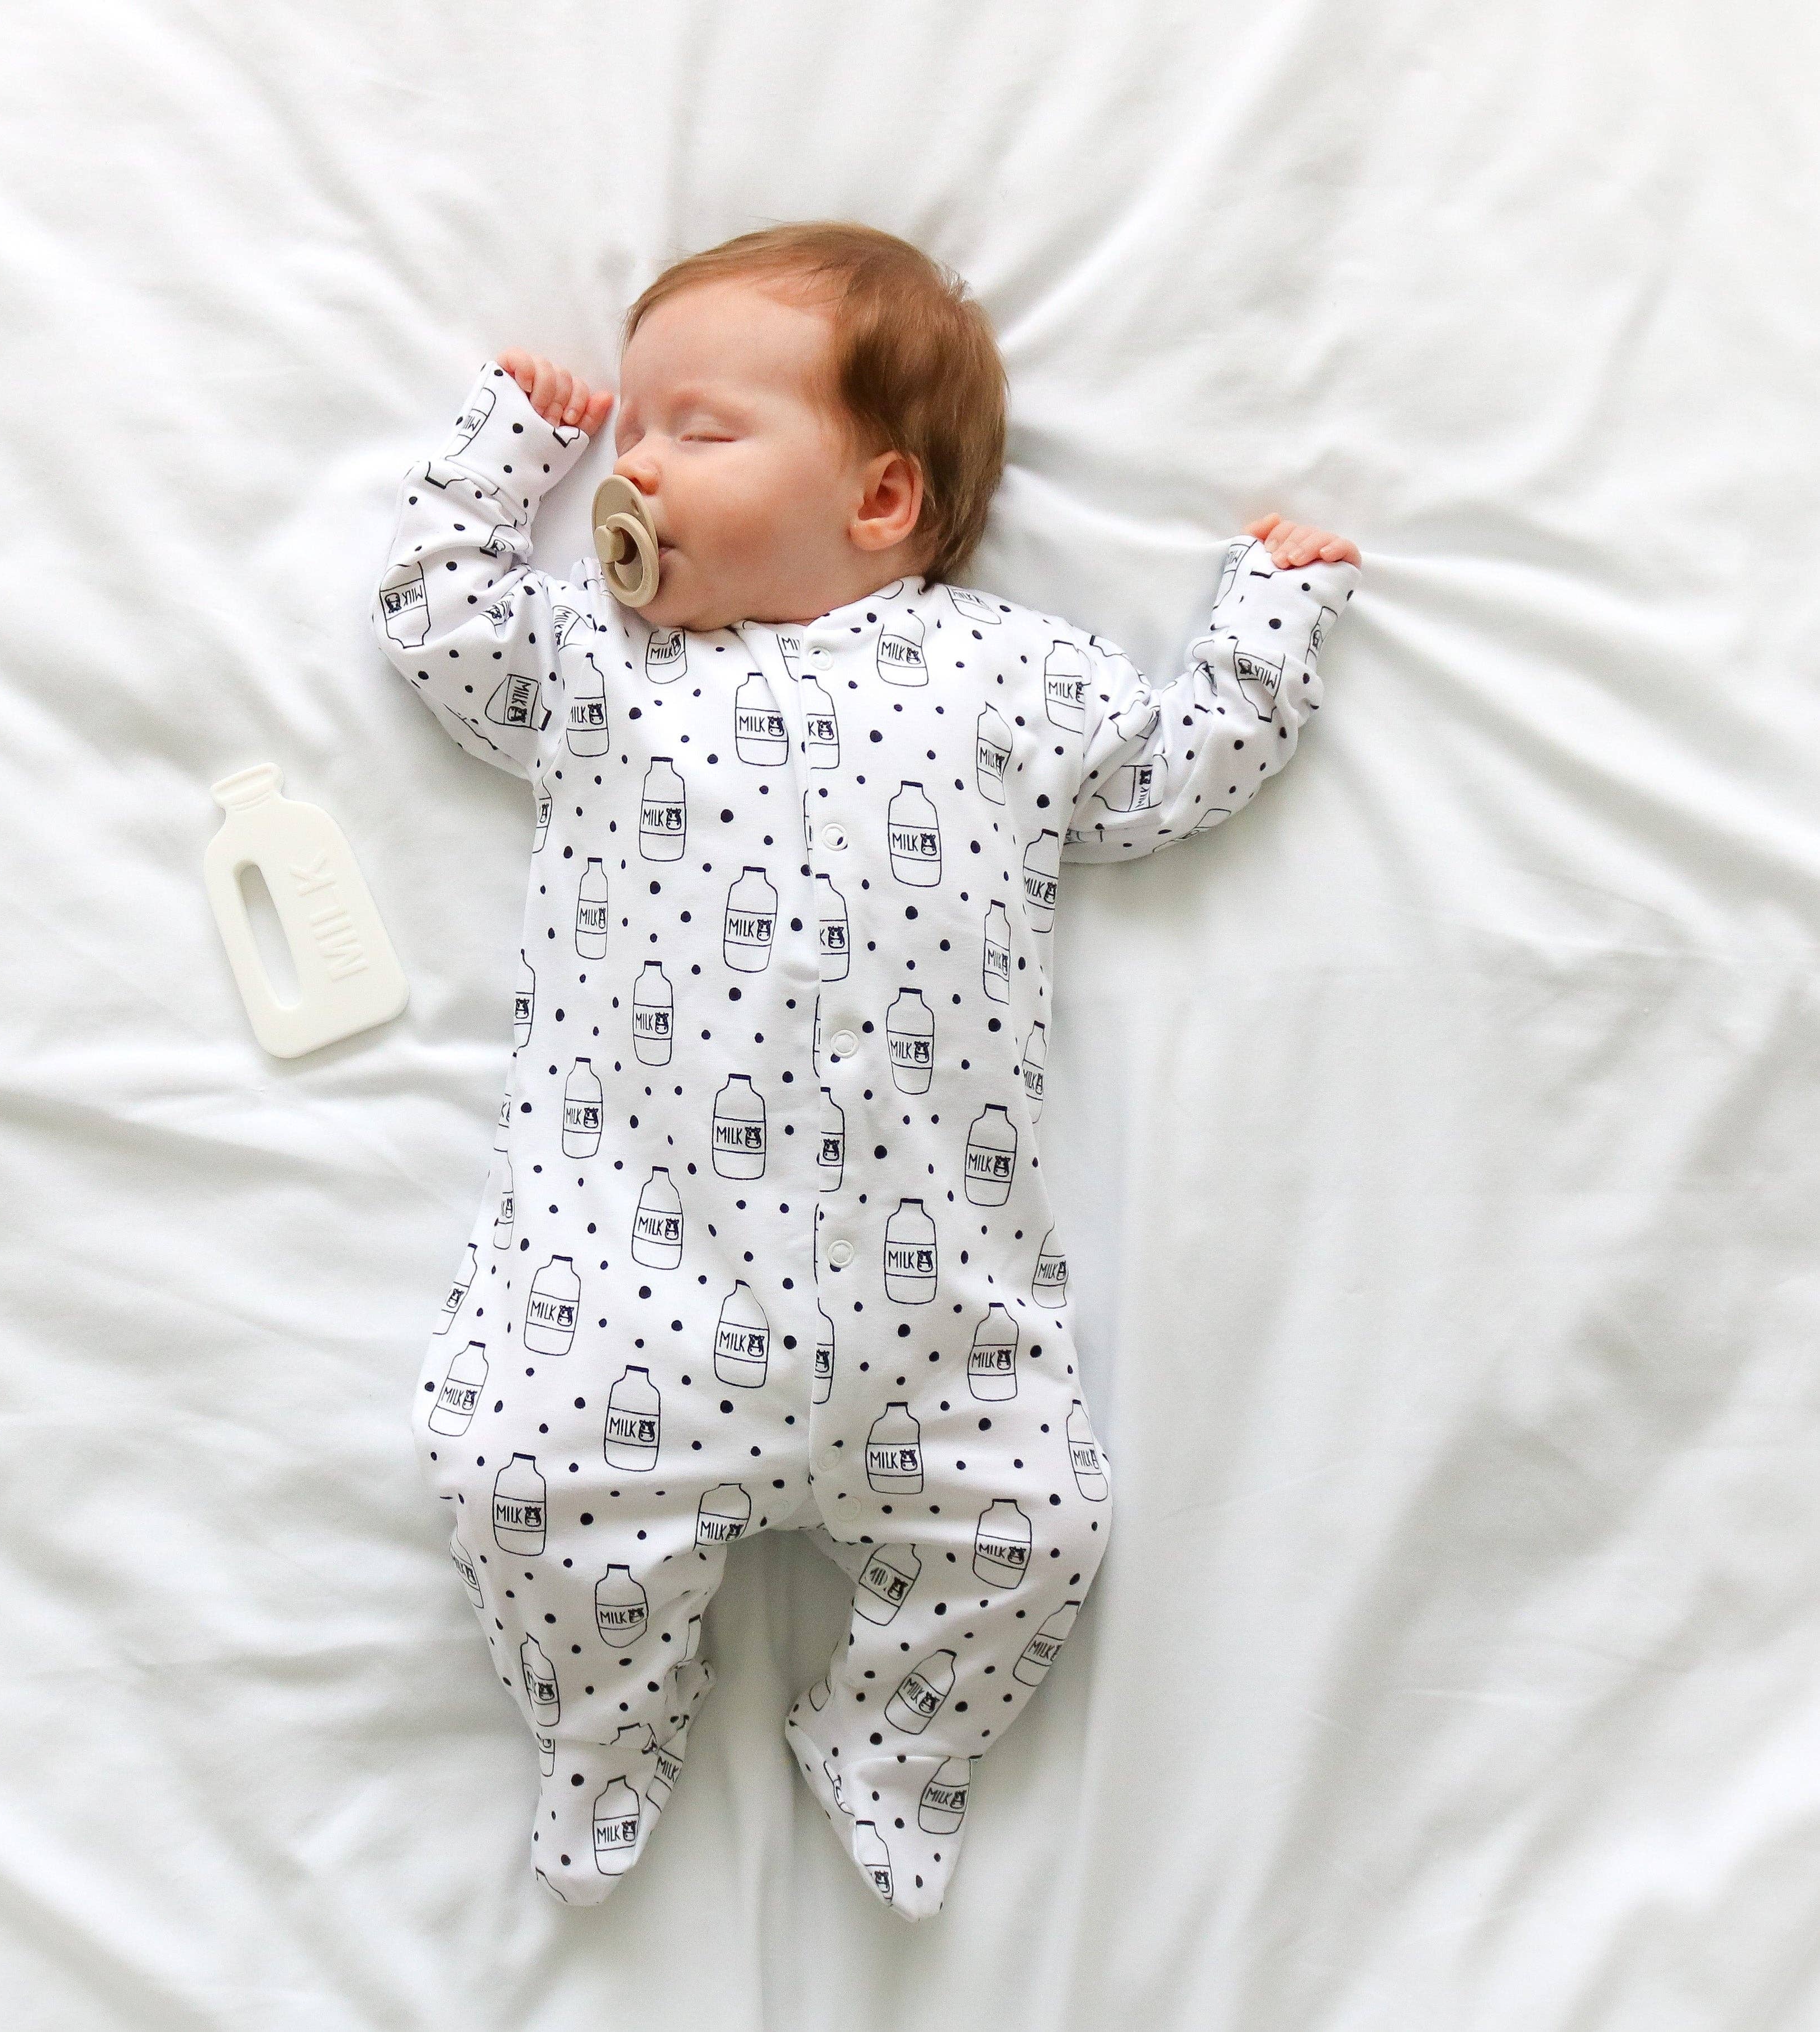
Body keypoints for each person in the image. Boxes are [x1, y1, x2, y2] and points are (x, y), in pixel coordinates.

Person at [372, 221, 1361, 1920]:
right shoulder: (604, 669)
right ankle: (606, 1718)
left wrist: (1266, 625)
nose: (640, 465)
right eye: (629, 438)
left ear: (882, 501)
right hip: (625, 1298)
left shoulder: (1006, 676)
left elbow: (1160, 777)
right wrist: (502, 451)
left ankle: (890, 1738)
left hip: (935, 1341)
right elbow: (433, 613)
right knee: (503, 1477)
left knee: (1040, 1531)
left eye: (699, 429)